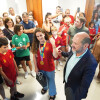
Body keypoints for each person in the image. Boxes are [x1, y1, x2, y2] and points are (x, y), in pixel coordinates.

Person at [60, 32, 97, 100]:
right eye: (72, 42)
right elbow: (69, 54)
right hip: (67, 84)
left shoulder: (91, 63)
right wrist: (62, 53)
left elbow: (84, 86)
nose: (72, 45)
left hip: (74, 92)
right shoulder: (75, 49)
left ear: (85, 46)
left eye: (75, 43)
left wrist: (75, 97)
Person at [32, 28, 59, 100]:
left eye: (41, 35)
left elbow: (56, 56)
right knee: (42, 79)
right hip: (40, 67)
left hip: (49, 67)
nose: (39, 37)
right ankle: (45, 87)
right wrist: (36, 67)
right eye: (37, 36)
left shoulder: (50, 43)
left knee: (51, 80)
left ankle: (52, 93)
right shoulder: (35, 45)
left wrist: (53, 45)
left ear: (44, 34)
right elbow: (34, 57)